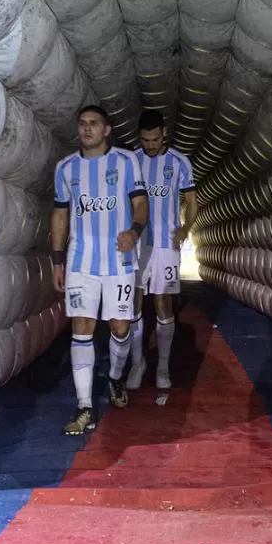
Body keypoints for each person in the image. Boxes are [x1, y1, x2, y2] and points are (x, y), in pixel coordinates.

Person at [52, 105, 149, 436]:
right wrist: (57, 260)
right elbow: (61, 215)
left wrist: (134, 232)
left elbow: (140, 204)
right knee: (82, 327)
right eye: (82, 124)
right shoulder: (66, 169)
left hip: (119, 262)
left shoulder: (125, 162)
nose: (87, 129)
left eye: (94, 124)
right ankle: (84, 407)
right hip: (81, 262)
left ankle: (116, 376)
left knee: (120, 327)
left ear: (107, 130)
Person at [126, 110, 198, 391]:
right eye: (146, 140)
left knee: (163, 305)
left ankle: (163, 367)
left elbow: (192, 200)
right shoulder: (131, 161)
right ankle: (137, 363)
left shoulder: (179, 162)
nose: (150, 145)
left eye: (155, 139)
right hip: (138, 245)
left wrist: (186, 228)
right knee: (133, 304)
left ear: (163, 134)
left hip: (166, 246)